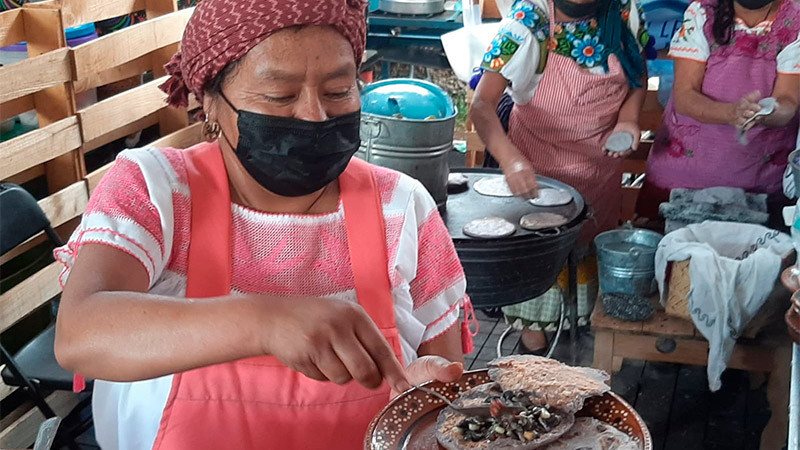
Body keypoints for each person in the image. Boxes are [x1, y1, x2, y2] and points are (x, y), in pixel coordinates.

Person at [52, 0, 473, 448]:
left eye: (337, 91)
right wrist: (266, 322)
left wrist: (434, 397)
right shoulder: (156, 189)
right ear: (210, 102)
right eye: (280, 96)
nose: (315, 115)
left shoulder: (403, 208)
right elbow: (81, 333)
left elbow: (443, 380)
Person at [466, 0, 650, 352]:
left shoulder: (625, 11)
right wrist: (511, 161)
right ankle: (533, 351)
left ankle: (578, 347)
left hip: (600, 172)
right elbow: (481, 105)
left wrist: (628, 119)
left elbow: (637, 76)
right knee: (540, 274)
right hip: (538, 174)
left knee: (584, 271)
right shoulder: (527, 21)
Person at [636, 0, 800, 222]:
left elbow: (788, 101)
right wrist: (733, 113)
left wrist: (764, 113)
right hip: (681, 180)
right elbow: (685, 96)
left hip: (761, 187)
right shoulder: (703, 12)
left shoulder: (795, 18)